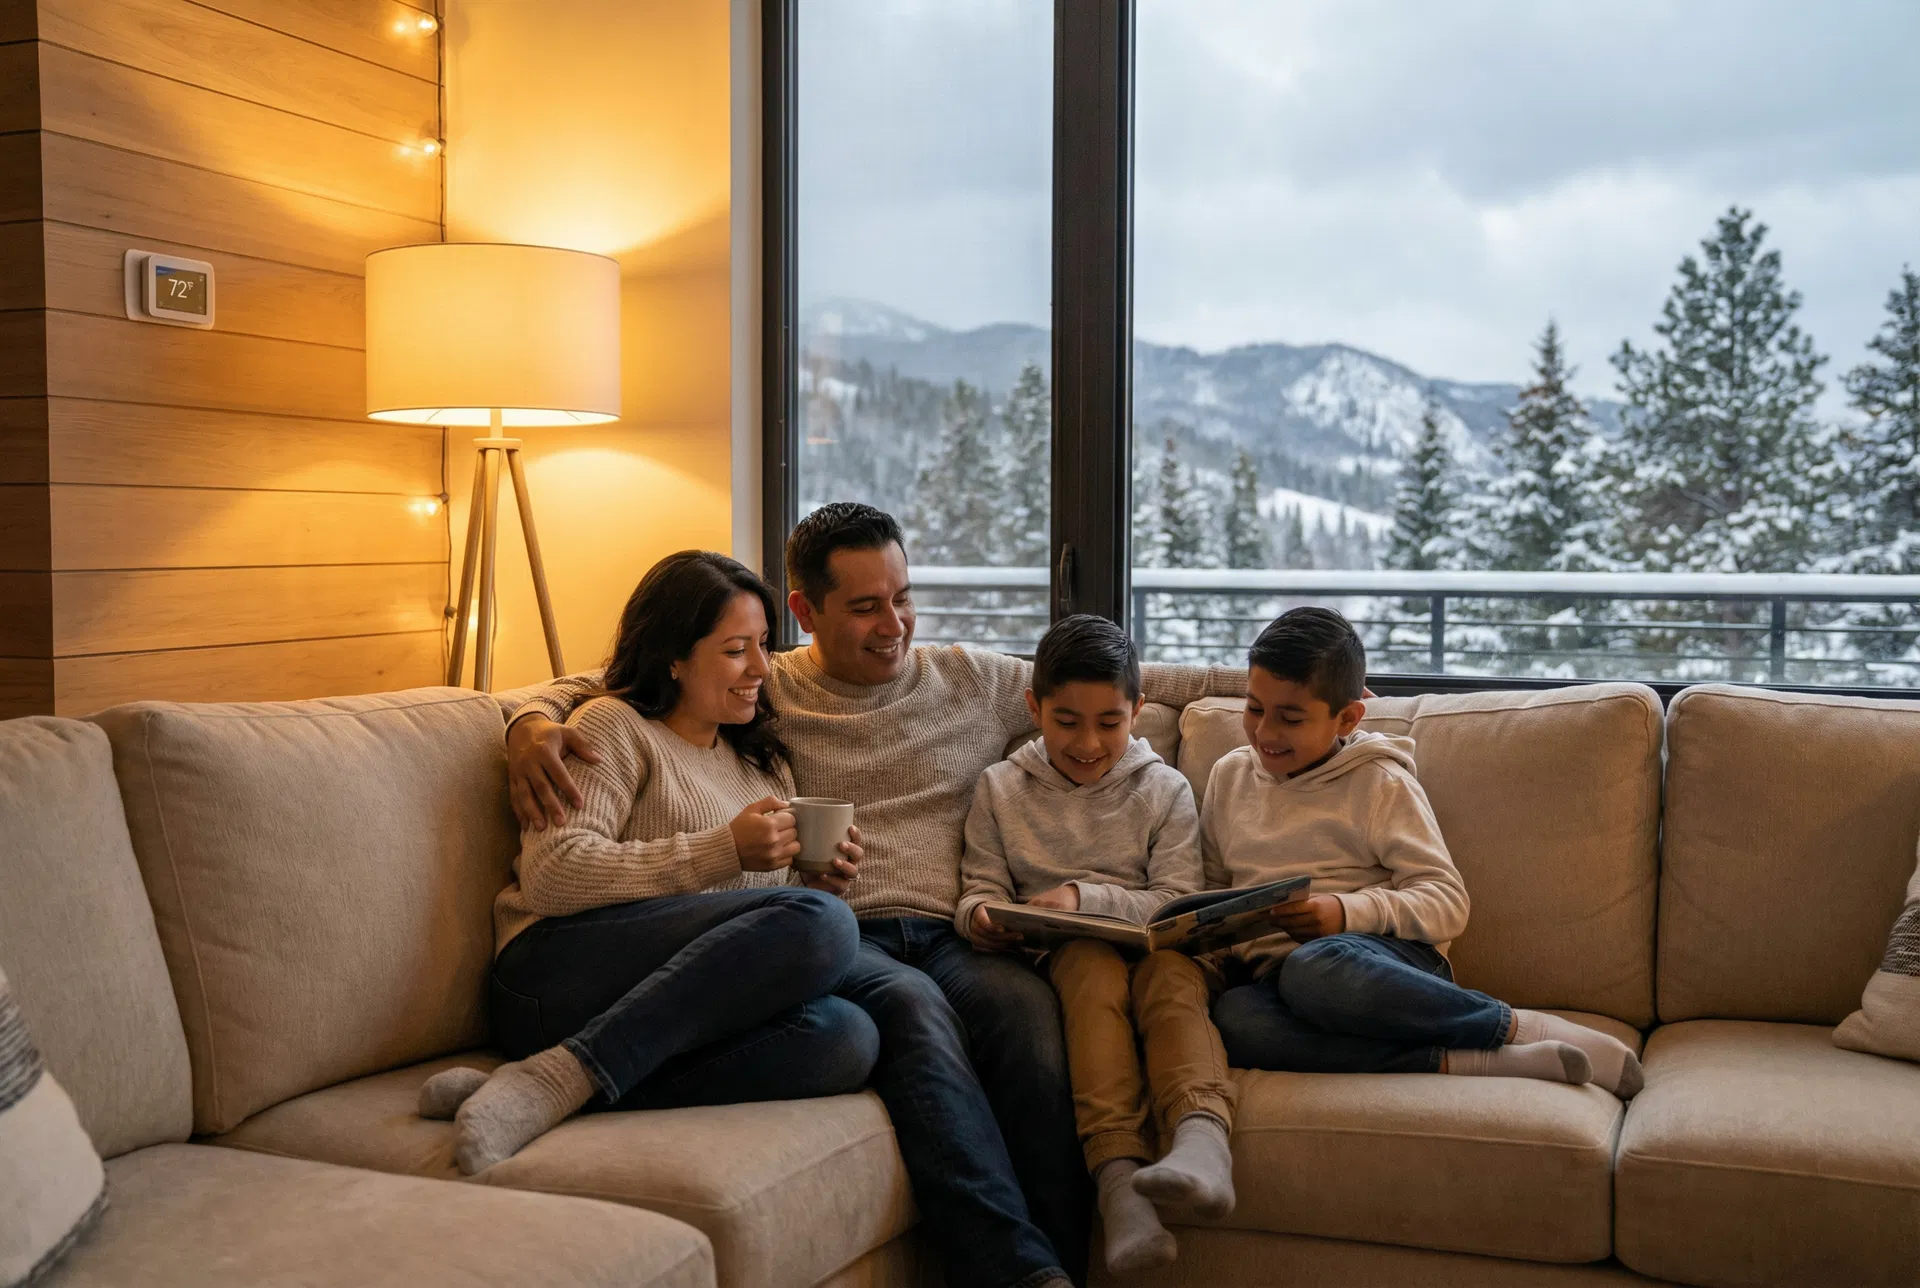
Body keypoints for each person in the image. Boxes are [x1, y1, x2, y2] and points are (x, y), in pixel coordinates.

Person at [505, 503, 1247, 1288]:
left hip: (954, 933)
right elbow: (632, 681)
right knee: (910, 1010)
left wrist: (1292, 690)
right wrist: (529, 718)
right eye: (864, 607)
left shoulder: (971, 680)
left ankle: (1065, 1268)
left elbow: (1135, 681)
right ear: (805, 611)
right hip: (836, 936)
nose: (893, 623)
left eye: (902, 597)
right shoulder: (765, 689)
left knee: (1030, 1025)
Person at [421, 552, 878, 1176]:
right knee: (822, 922)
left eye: (765, 646)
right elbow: (553, 875)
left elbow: (733, 920)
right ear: (674, 656)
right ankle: (556, 1077)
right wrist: (729, 852)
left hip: (644, 1004)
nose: (761, 670)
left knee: (846, 1038)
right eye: (736, 649)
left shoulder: (761, 763)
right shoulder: (610, 727)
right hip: (550, 974)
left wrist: (806, 874)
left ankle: (550, 1083)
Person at [1202, 606, 1645, 1097]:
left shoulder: (1379, 782)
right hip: (1274, 978)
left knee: (1314, 970)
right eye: (1254, 708)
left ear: (1347, 716)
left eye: (1290, 718)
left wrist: (1346, 912)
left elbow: (1446, 901)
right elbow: (1214, 884)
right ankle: (1465, 1062)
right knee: (1236, 1022)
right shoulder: (1230, 776)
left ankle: (1516, 1028)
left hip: (1382, 962)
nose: (1264, 732)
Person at [956, 615, 1237, 1277]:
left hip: (1157, 947)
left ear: (1138, 711)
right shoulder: (1000, 789)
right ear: (1034, 708)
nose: (1088, 743)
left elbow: (1175, 897)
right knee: (1088, 971)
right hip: (1066, 957)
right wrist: (983, 918)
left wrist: (1082, 898)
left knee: (1172, 978)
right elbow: (977, 889)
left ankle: (1201, 1139)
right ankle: (1118, 1181)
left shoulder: (1164, 788)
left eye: (1110, 723)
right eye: (1067, 721)